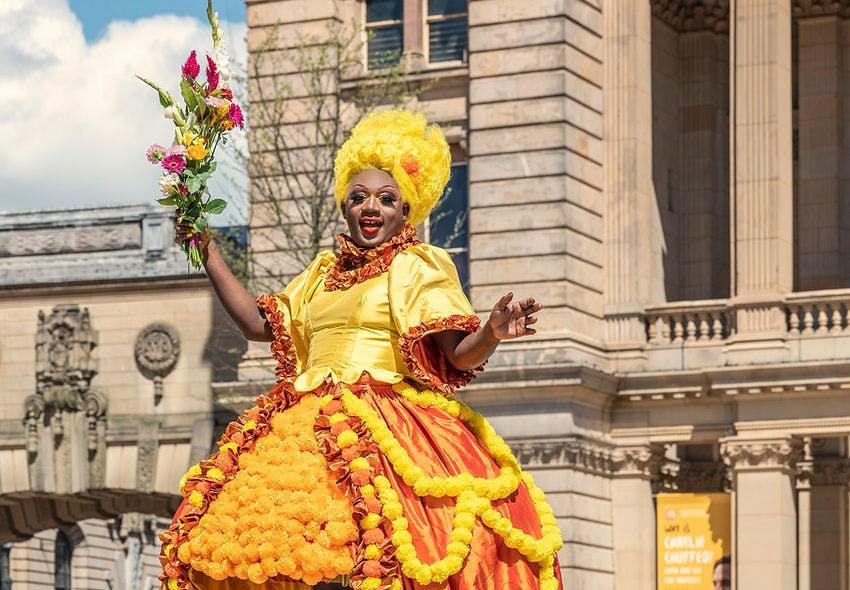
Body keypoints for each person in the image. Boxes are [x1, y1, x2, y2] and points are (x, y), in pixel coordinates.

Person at [158, 109, 564, 590]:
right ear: (346, 207)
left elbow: (457, 355)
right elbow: (255, 323)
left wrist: (492, 332)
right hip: (302, 426)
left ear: (405, 209)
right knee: (261, 549)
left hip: (388, 420)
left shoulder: (416, 265)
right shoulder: (321, 271)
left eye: (387, 198)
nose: (372, 207)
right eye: (359, 197)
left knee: (392, 546)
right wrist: (208, 249)